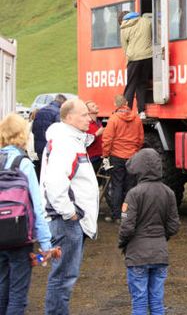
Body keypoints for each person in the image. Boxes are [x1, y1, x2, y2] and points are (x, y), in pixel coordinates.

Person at [40, 99, 99, 314]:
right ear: (69, 117)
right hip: (67, 223)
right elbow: (55, 182)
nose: (89, 118)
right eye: (84, 115)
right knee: (64, 277)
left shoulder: (70, 140)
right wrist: (69, 213)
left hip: (71, 222)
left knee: (64, 276)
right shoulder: (66, 142)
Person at [0, 114, 55, 315]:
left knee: (2, 289)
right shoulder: (23, 163)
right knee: (18, 294)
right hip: (19, 235)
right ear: (22, 134)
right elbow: (36, 205)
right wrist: (46, 243)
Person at [118, 148, 180, 315]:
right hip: (160, 254)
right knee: (157, 301)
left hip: (137, 255)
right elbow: (174, 226)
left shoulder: (133, 194)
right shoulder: (169, 193)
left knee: (139, 302)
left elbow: (127, 227)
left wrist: (122, 243)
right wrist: (160, 237)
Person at [102, 95, 144, 223]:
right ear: (126, 103)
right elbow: (140, 139)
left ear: (115, 104)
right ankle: (129, 214)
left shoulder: (113, 119)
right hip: (132, 156)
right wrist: (135, 150)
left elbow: (107, 139)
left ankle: (117, 215)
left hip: (117, 156)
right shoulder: (136, 118)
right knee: (130, 186)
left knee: (117, 185)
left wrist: (105, 154)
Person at [118, 11, 152, 120]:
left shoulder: (124, 28)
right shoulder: (146, 21)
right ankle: (141, 112)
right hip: (147, 57)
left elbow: (125, 47)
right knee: (142, 84)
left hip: (133, 59)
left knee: (131, 85)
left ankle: (126, 111)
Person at [31, 94, 67, 178]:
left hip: (39, 148)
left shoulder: (40, 111)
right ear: (62, 103)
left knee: (42, 173)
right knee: (52, 174)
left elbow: (33, 129)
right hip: (52, 149)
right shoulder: (58, 112)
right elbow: (60, 132)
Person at [85, 100, 104, 173]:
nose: (96, 106)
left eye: (95, 104)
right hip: (92, 158)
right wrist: (96, 134)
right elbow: (85, 140)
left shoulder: (98, 122)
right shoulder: (86, 124)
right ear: (88, 111)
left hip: (101, 156)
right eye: (93, 106)